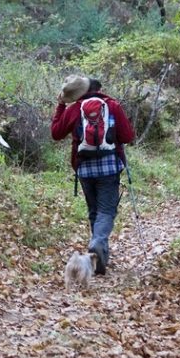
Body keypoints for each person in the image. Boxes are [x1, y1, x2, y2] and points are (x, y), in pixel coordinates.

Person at [51, 75, 135, 276]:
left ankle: (98, 259)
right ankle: (97, 245)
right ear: (99, 88)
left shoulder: (73, 109)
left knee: (94, 210)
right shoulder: (112, 105)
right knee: (106, 211)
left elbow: (56, 133)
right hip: (109, 166)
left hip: (84, 168)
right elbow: (128, 136)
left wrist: (61, 105)